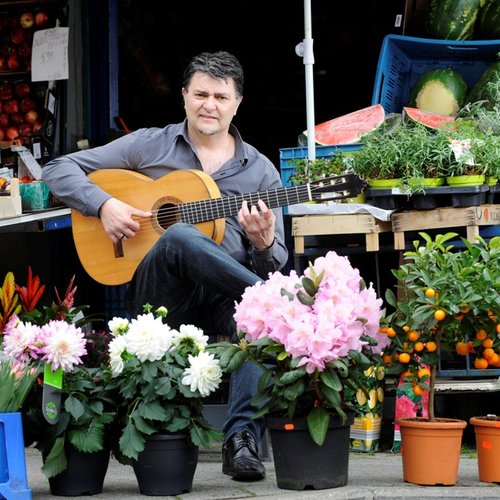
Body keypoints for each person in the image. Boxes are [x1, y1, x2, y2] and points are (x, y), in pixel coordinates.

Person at [42, 51, 289, 481]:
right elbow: (58, 167)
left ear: (237, 103)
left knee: (256, 317)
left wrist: (263, 244)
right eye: (200, 94)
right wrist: (104, 205)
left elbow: (275, 261)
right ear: (184, 97)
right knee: (179, 236)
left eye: (220, 96)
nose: (209, 104)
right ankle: (281, 307)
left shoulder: (261, 171)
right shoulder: (149, 145)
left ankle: (241, 442)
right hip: (160, 298)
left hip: (224, 297)